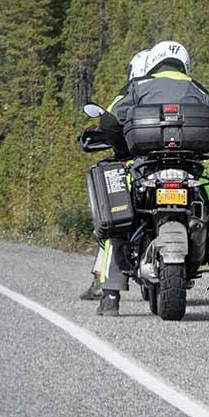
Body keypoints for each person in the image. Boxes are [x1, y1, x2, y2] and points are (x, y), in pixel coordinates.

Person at [95, 40, 209, 317]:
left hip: (146, 169)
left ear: (152, 63)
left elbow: (108, 120)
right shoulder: (199, 89)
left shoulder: (137, 86)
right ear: (184, 65)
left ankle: (110, 295)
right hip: (191, 172)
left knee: (120, 217)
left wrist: (122, 149)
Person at [79, 50, 150, 302]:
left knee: (115, 216)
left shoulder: (130, 91)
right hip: (177, 165)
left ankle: (106, 285)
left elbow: (108, 121)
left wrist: (119, 149)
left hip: (136, 167)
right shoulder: (178, 91)